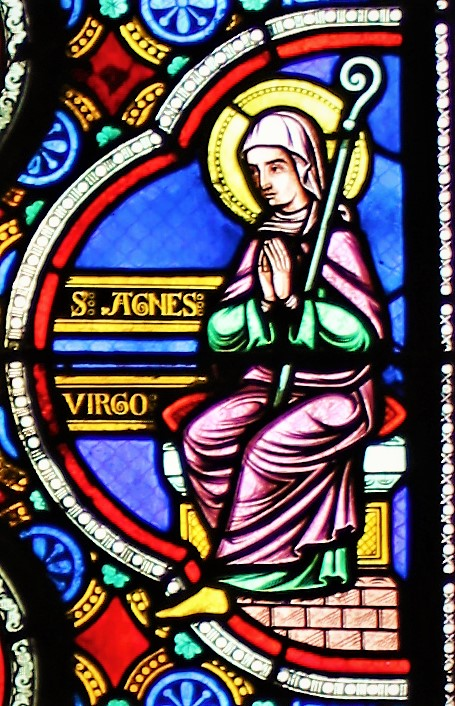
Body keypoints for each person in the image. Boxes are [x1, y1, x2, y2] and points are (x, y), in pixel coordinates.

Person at [157, 109, 388, 619]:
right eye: (254, 170)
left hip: (339, 392)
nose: (263, 182)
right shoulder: (264, 238)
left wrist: (295, 306)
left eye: (276, 167)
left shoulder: (335, 236)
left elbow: (364, 336)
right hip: (269, 382)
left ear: (305, 167)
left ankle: (233, 577)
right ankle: (260, 561)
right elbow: (220, 332)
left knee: (267, 447)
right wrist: (263, 307)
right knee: (203, 436)